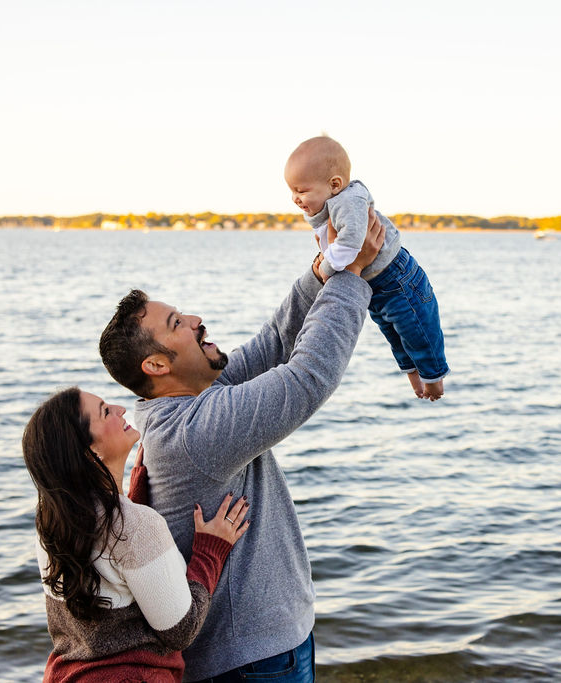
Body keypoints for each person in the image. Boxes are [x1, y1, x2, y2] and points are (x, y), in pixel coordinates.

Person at [97, 214, 385, 682]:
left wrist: (322, 273)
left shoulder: (186, 405)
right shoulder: (195, 431)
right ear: (156, 364)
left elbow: (272, 344)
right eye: (177, 323)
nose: (195, 320)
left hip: (258, 654)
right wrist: (352, 278)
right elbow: (307, 378)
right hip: (250, 665)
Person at [22, 387, 250, 683]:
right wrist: (210, 551)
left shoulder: (52, 521)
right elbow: (181, 629)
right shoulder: (134, 525)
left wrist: (131, 498)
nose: (120, 408)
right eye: (105, 411)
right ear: (90, 452)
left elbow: (111, 565)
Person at [285, 135, 449, 400]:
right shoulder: (330, 202)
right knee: (393, 334)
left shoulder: (348, 202)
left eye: (301, 191)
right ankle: (415, 379)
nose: (295, 198)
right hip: (375, 282)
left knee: (416, 328)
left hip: (398, 278)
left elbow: (350, 245)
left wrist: (325, 269)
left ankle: (434, 378)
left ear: (334, 184)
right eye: (292, 191)